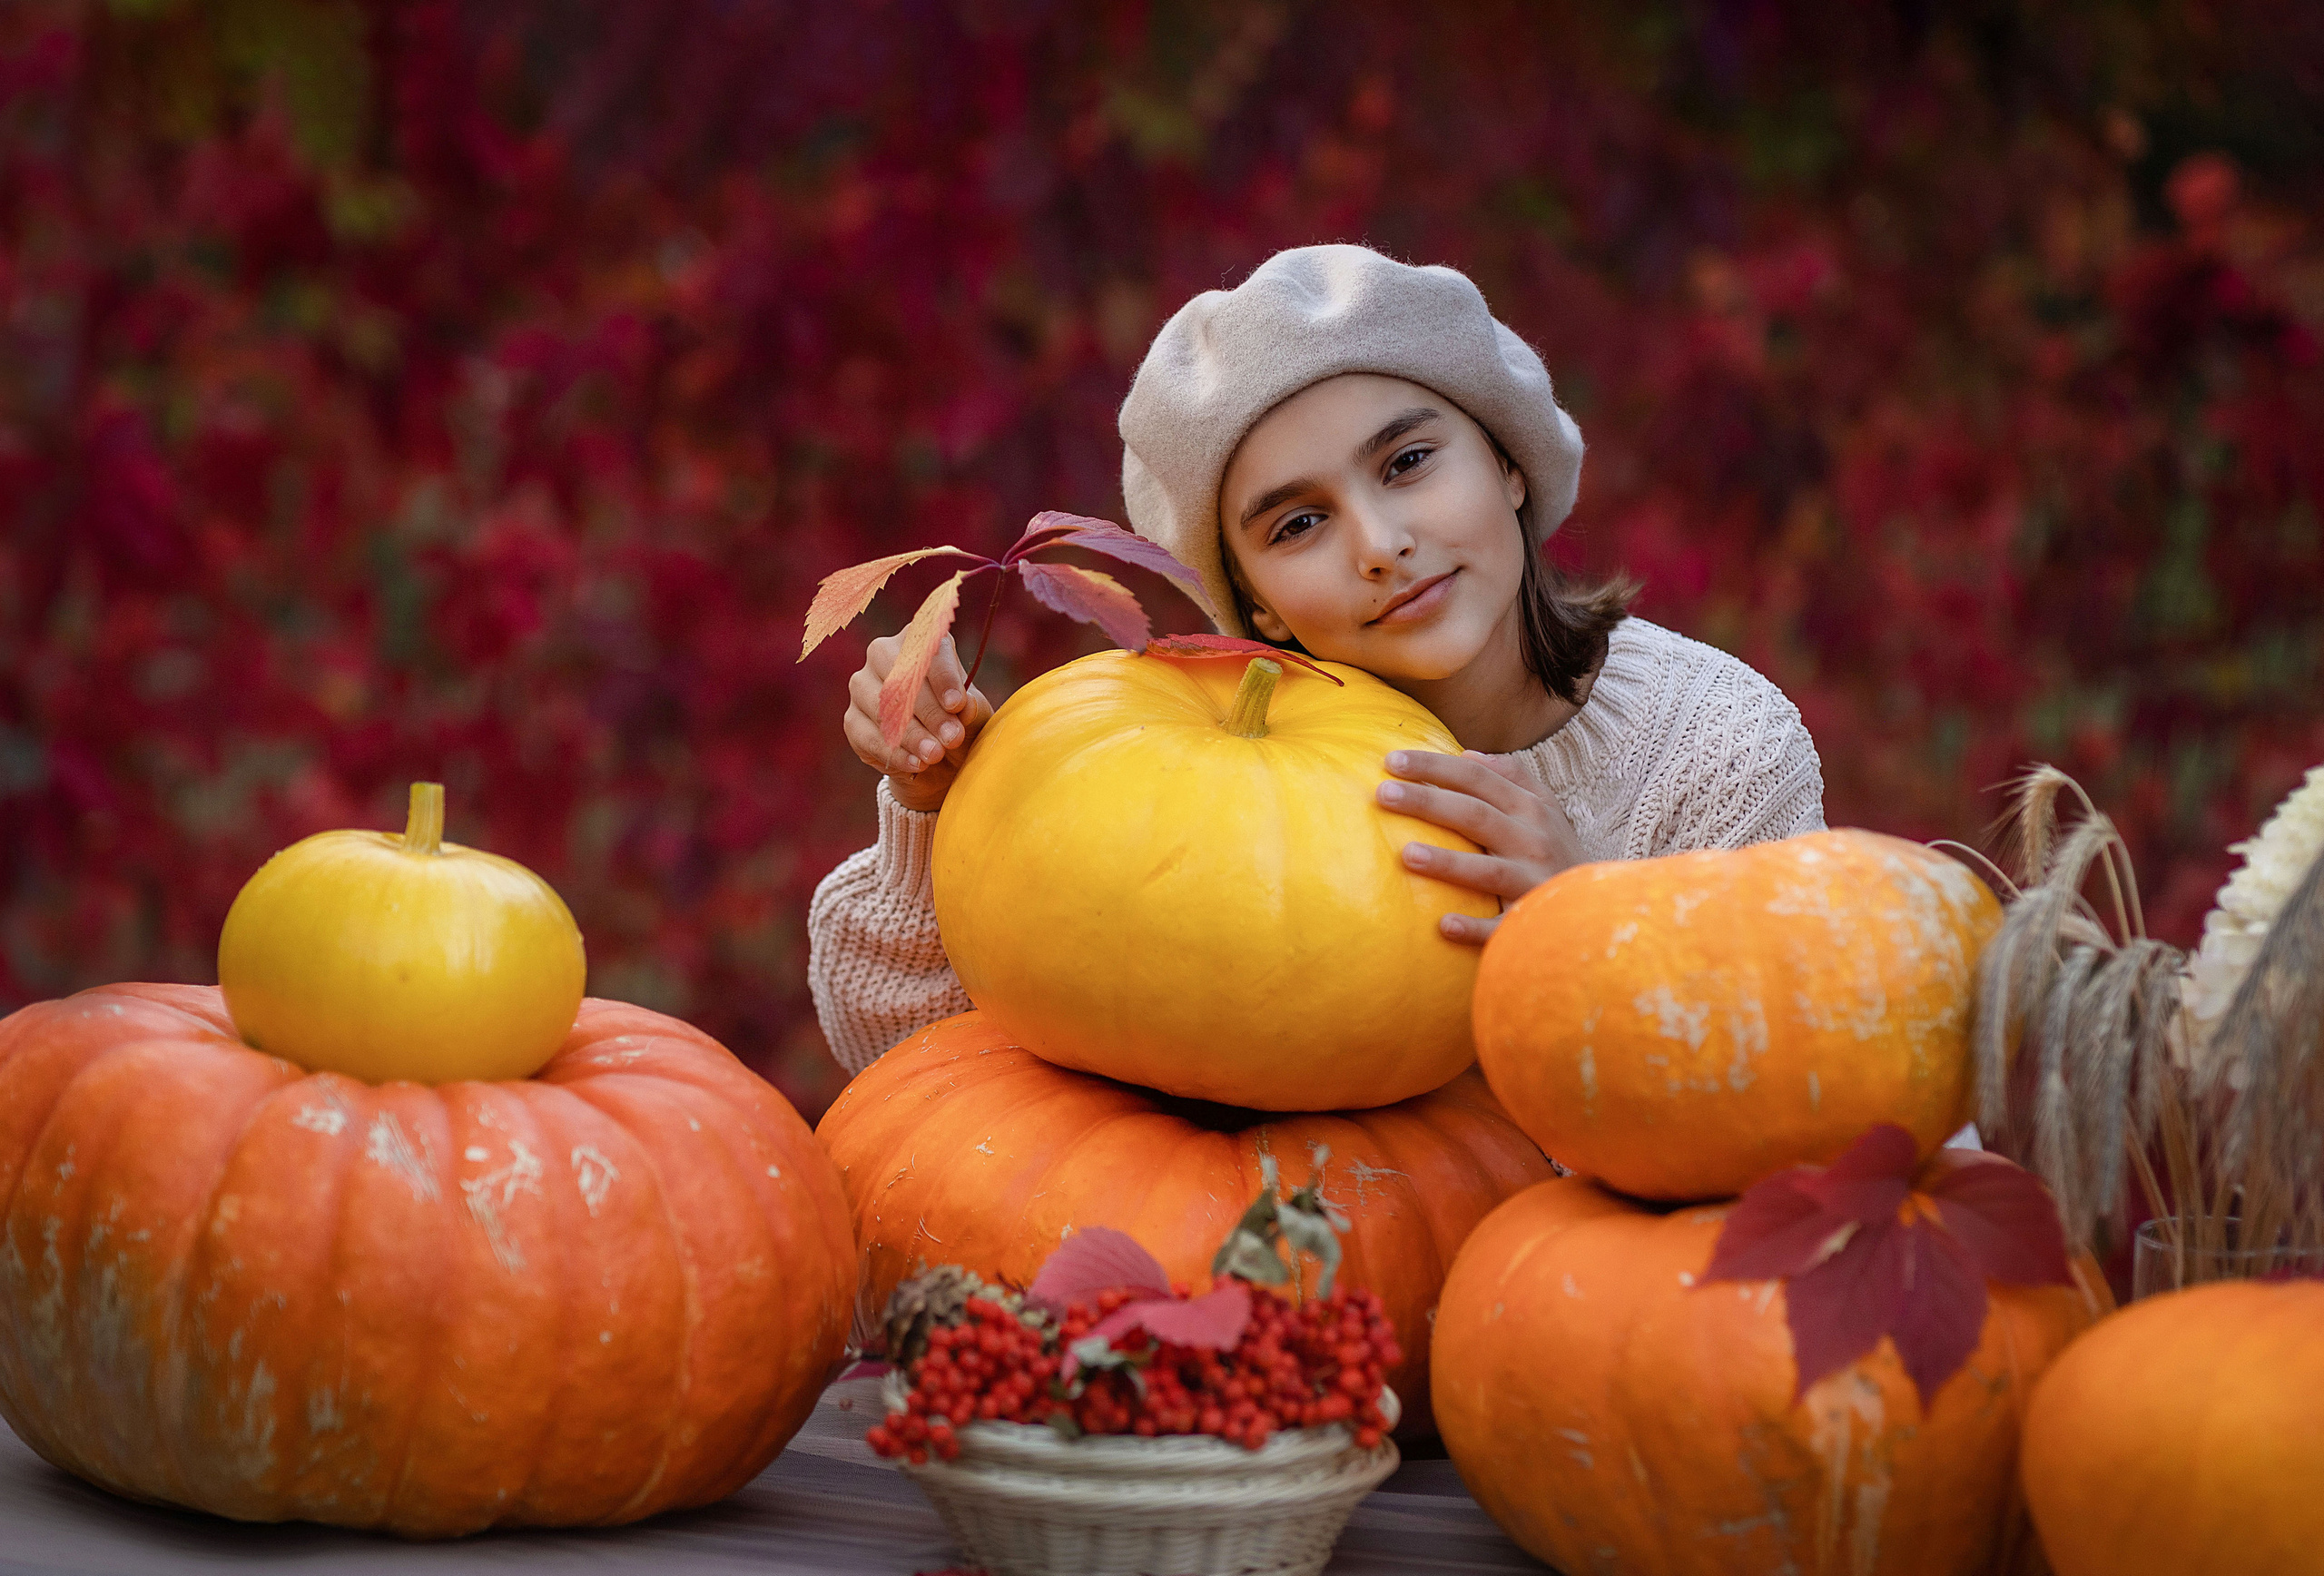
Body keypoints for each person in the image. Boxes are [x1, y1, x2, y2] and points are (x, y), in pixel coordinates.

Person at [809, 244, 1826, 1076]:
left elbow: (1815, 1084)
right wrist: (935, 807)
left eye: (1408, 462)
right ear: (1254, 599)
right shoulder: (1212, 776)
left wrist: (1595, 929)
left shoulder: (1711, 748)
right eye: (1298, 523)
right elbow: (910, 1061)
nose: (1379, 541)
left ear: (1509, 461)